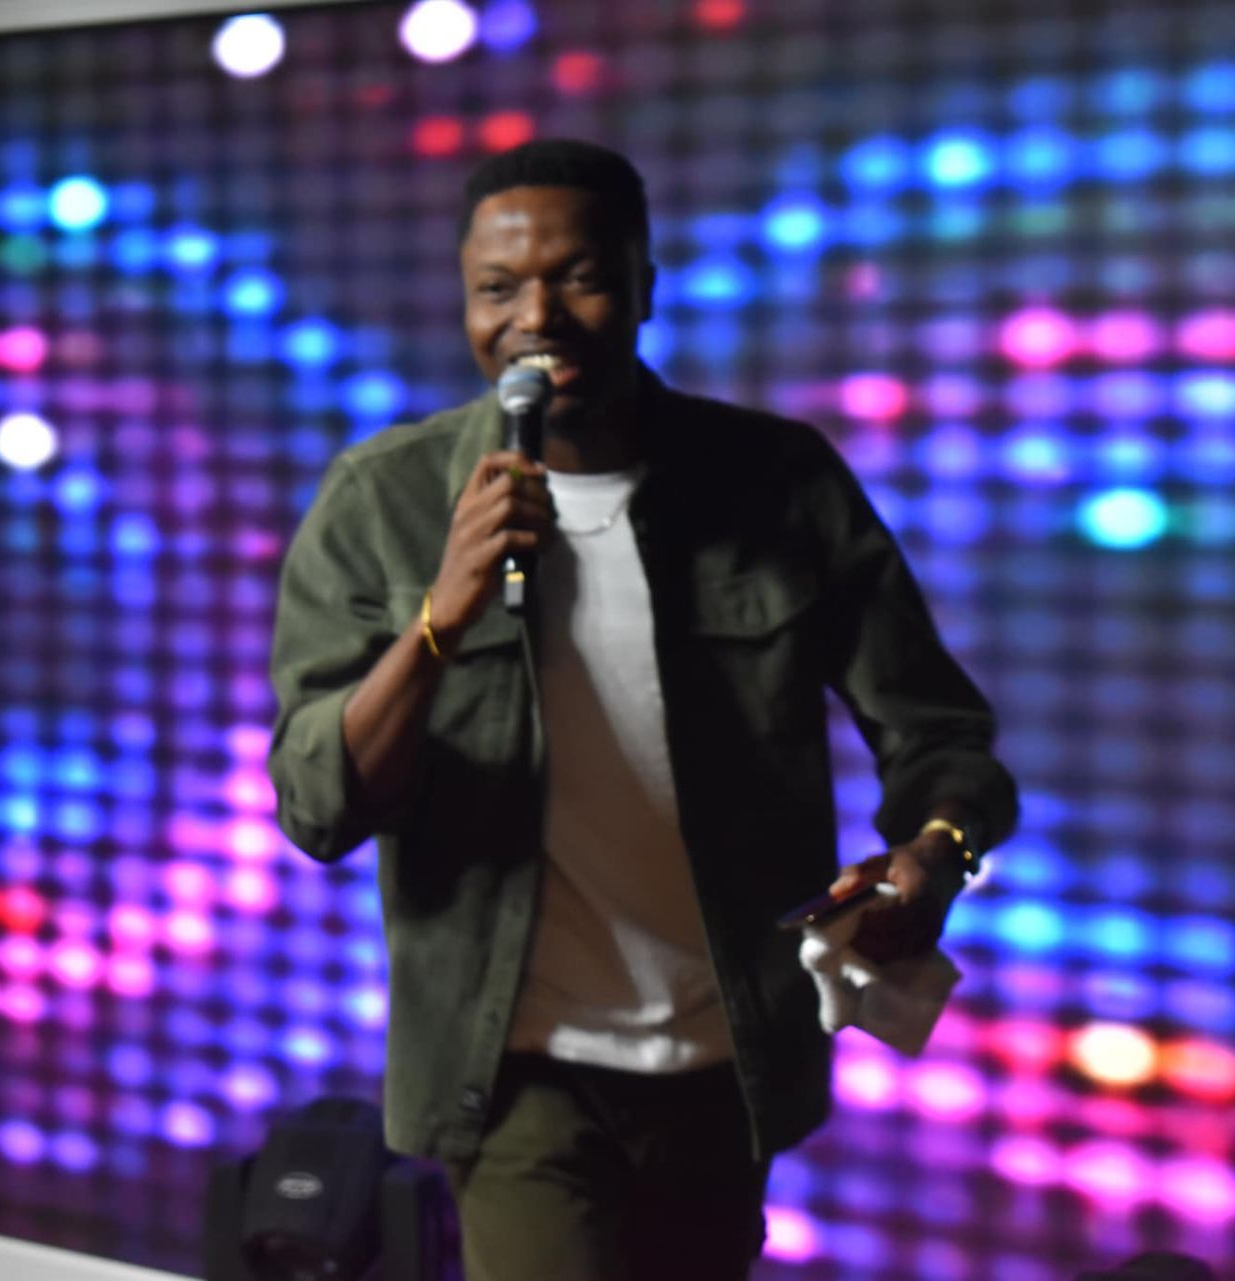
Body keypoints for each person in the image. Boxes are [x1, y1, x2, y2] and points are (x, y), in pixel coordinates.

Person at [266, 138, 1017, 1280]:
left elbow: (938, 732)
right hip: (515, 1070)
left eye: (577, 277)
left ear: (643, 286)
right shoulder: (385, 500)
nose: (535, 317)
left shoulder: (779, 481)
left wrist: (938, 852)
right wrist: (439, 621)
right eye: (496, 288)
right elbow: (319, 804)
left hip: (727, 1063)